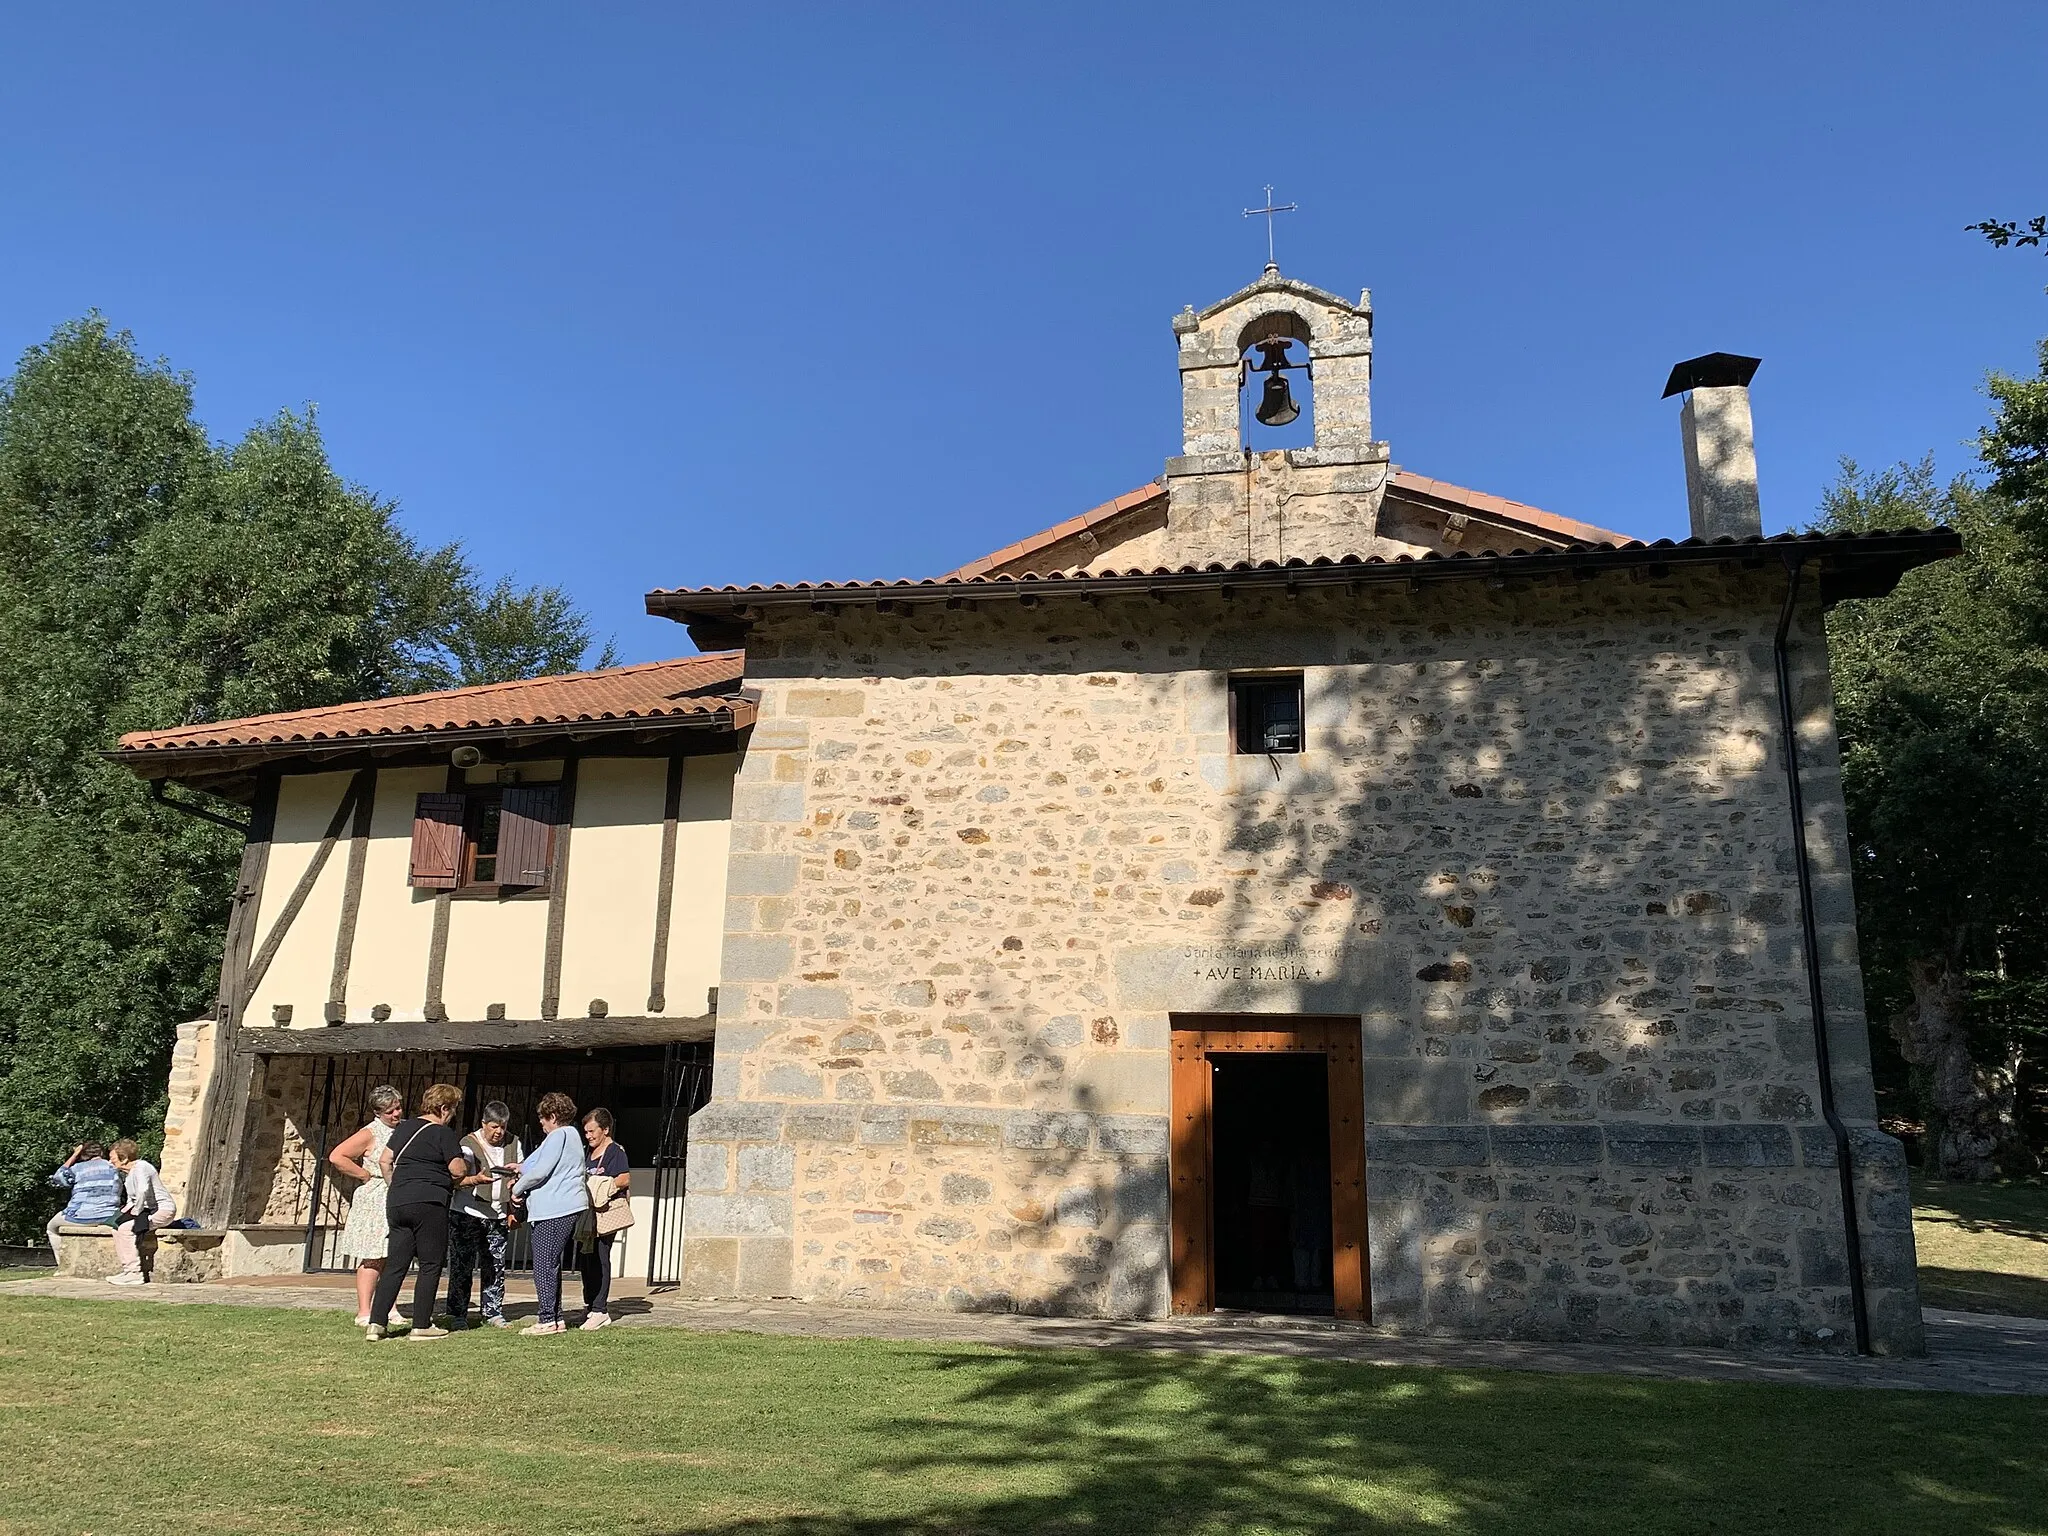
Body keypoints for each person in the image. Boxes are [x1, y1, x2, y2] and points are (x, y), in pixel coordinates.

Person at [365, 1083, 469, 1342]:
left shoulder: (405, 1128)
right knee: (430, 1263)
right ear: (444, 1108)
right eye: (453, 1109)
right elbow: (457, 1171)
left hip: (398, 1201)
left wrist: (397, 1186)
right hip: (429, 1202)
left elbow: (384, 1160)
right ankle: (421, 1324)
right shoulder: (442, 1133)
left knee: (395, 1265)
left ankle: (376, 1323)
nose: (453, 1114)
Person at [511, 1092, 587, 1337]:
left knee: (543, 1264)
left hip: (554, 1209)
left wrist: (517, 1187)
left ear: (552, 1116)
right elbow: (535, 1163)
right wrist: (520, 1168)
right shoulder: (570, 1135)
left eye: (543, 1119)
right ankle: (556, 1318)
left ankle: (546, 1320)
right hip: (563, 1207)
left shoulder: (558, 1135)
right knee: (550, 1263)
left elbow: (540, 1171)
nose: (541, 1124)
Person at [329, 1085, 404, 1327]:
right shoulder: (370, 1132)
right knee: (372, 1255)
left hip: (397, 1193)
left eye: (398, 1108)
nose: (396, 1114)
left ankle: (389, 1307)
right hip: (375, 1196)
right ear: (378, 1112)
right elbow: (337, 1156)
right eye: (390, 1111)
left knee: (392, 1255)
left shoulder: (403, 1129)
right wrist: (363, 1175)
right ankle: (364, 1310)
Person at [445, 1100, 523, 1330]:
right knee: (462, 1264)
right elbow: (458, 1177)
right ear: (483, 1124)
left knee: (495, 1265)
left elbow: (521, 1170)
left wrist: (514, 1197)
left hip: (497, 1214)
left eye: (502, 1127)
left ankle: (493, 1311)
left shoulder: (514, 1143)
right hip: (467, 1212)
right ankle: (458, 1314)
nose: (499, 1132)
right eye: (494, 1127)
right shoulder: (468, 1143)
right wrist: (476, 1180)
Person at [577, 1107, 632, 1331]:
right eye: (586, 1132)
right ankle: (590, 1304)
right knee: (585, 1259)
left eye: (592, 1131)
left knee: (601, 1256)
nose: (588, 1136)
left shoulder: (614, 1152)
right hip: (588, 1214)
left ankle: (600, 1309)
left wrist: (603, 1187)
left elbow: (624, 1178)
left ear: (605, 1129)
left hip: (606, 1213)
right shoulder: (586, 1152)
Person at [105, 1139, 178, 1286]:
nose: (110, 1162)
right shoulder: (129, 1175)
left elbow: (142, 1190)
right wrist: (119, 1216)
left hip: (163, 1210)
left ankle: (134, 1274)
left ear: (124, 1158)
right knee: (117, 1228)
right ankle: (127, 1271)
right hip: (146, 1210)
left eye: (113, 1158)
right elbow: (132, 1200)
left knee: (127, 1229)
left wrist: (136, 1212)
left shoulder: (141, 1167)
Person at [45, 1142, 122, 1265]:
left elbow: (57, 1178)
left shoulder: (77, 1169)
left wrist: (74, 1155)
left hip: (79, 1216)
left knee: (51, 1228)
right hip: (108, 1215)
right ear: (101, 1153)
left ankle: (63, 1265)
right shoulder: (113, 1167)